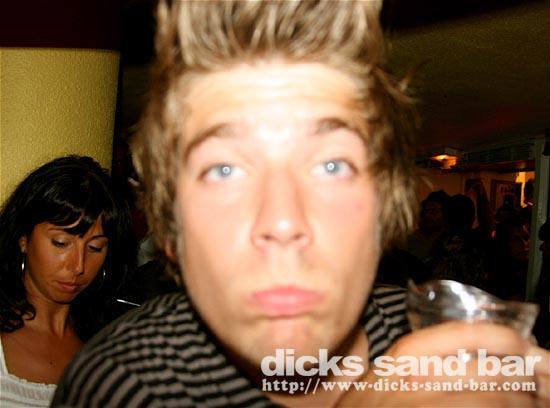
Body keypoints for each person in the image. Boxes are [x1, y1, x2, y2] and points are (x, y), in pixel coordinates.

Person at [53, 1, 550, 407]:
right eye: (224, 170)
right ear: (171, 232)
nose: (283, 220)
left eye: (331, 165)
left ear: (383, 212)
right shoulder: (124, 388)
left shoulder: (461, 353)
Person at [0, 155, 136, 407]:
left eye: (95, 248)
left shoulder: (117, 344)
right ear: (23, 238)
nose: (78, 266)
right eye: (61, 243)